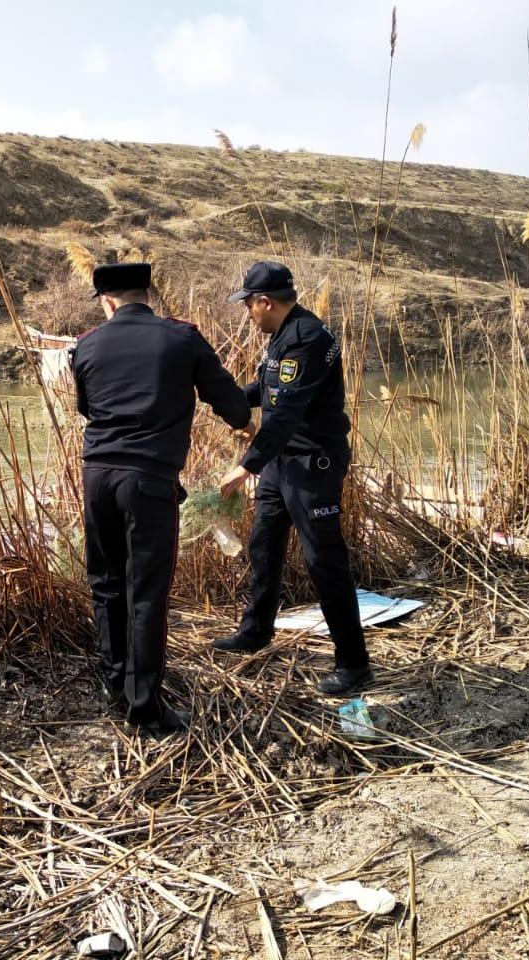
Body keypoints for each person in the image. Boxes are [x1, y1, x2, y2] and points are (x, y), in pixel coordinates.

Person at [72, 262, 251, 734]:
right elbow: (232, 405)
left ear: (107, 301)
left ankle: (116, 684)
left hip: (97, 477)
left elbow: (87, 408)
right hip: (149, 480)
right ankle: (144, 707)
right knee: (145, 591)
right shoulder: (183, 338)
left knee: (106, 580)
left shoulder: (86, 344)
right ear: (145, 294)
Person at [214, 261, 373, 696]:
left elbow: (286, 413)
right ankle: (256, 631)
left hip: (313, 465)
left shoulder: (309, 339)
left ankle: (354, 663)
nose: (248, 314)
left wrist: (247, 464)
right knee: (263, 546)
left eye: (248, 305)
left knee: (324, 560)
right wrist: (217, 397)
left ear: (265, 302)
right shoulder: (281, 337)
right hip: (282, 461)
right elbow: (264, 391)